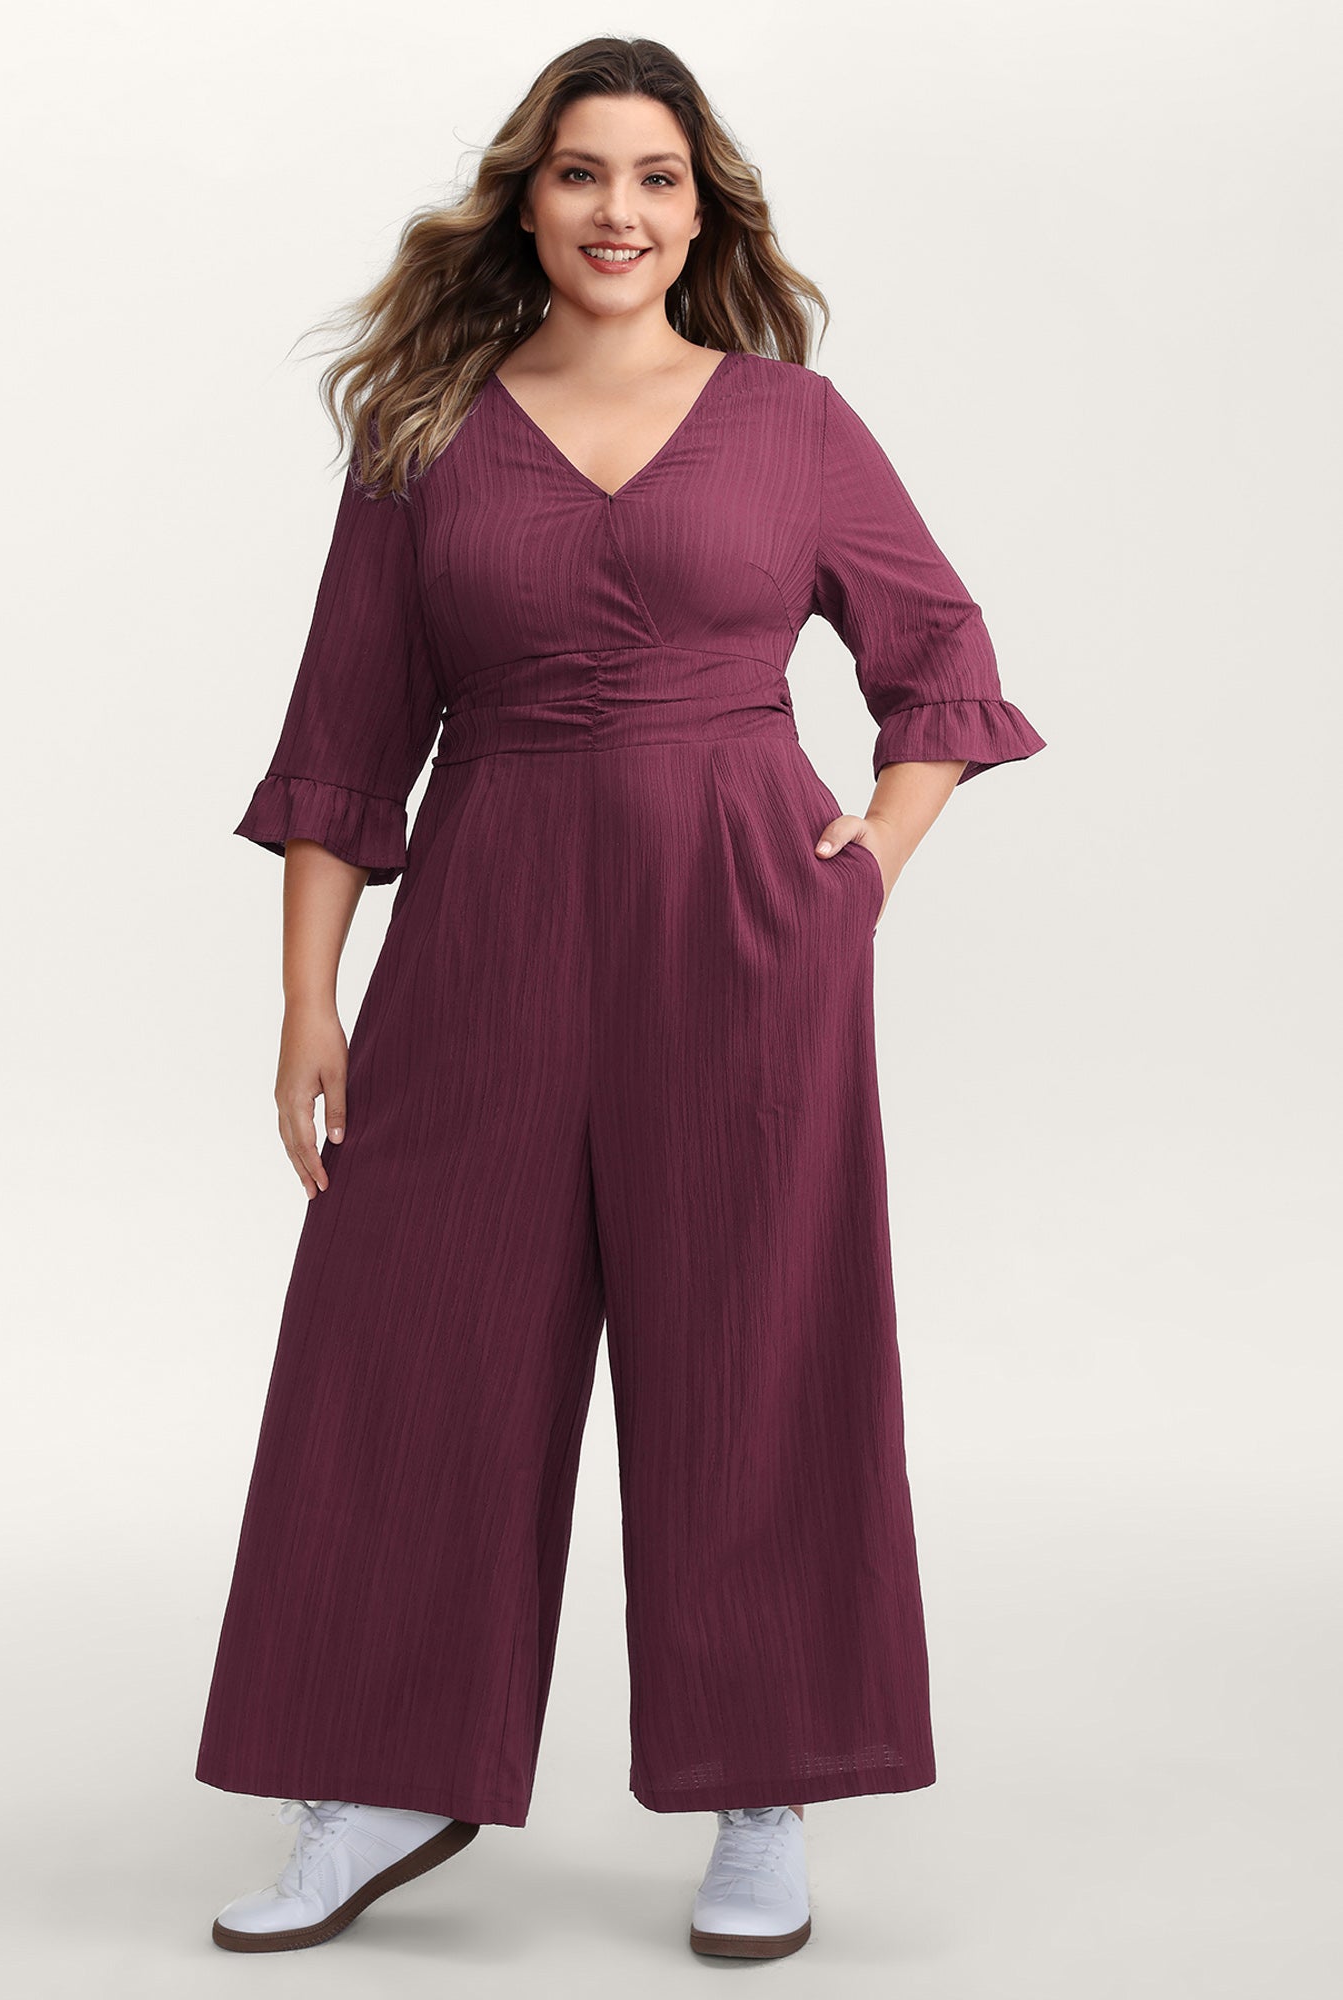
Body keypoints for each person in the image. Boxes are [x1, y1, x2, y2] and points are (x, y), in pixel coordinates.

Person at [196, 35, 1046, 1964]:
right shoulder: (423, 432)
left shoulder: (790, 423)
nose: (618, 211)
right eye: (583, 173)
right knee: (408, 1340)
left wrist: (866, 871)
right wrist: (308, 1001)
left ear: (701, 208)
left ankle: (765, 1792)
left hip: (739, 926)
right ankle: (380, 1776)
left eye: (656, 178)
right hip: (486, 921)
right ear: (528, 199)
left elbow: (940, 655)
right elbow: (342, 736)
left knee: (756, 1341)